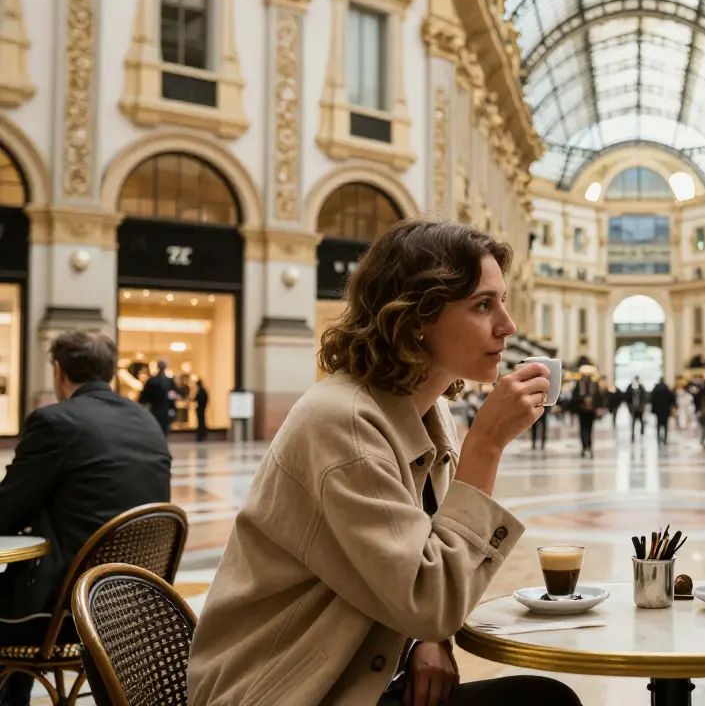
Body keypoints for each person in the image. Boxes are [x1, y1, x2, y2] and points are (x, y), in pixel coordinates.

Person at [186, 221, 581, 706]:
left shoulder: (428, 413)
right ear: (417, 316)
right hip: (286, 690)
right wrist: (486, 448)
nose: (508, 324)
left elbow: (406, 565)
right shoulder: (343, 424)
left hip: (361, 679)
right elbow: (431, 599)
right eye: (483, 304)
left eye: (502, 300)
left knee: (540, 700)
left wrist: (424, 641)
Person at [0, 331, 171, 706]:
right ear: (110, 372)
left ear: (58, 371)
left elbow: (6, 510)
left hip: (65, 613)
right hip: (134, 610)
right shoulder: (148, 425)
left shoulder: (54, 421)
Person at [137, 358, 178, 435]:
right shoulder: (168, 381)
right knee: (163, 432)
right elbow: (173, 397)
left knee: (156, 432)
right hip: (163, 411)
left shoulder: (152, 381)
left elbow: (143, 398)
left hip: (155, 411)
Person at [572, 367, 602, 457]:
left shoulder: (594, 384)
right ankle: (584, 447)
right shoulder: (579, 384)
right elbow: (574, 397)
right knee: (583, 429)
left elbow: (599, 397)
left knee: (589, 429)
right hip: (582, 410)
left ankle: (589, 446)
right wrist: (581, 403)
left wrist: (596, 407)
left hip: (591, 411)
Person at [649, 378, 675, 445]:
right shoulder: (666, 389)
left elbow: (652, 399)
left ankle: (658, 437)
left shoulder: (656, 389)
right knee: (665, 424)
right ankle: (665, 438)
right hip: (665, 409)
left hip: (658, 410)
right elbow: (672, 398)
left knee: (658, 424)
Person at [625, 376, 647, 443]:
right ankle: (633, 434)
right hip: (633, 408)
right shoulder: (630, 387)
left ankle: (642, 432)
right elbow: (627, 397)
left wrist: (642, 406)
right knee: (633, 422)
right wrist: (630, 406)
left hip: (640, 408)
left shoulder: (641, 387)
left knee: (641, 421)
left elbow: (644, 397)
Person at [194, 377, 210, 442]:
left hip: (201, 409)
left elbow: (197, 399)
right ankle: (202, 435)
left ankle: (201, 436)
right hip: (201, 409)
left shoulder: (201, 391)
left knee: (201, 423)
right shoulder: (202, 391)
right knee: (201, 422)